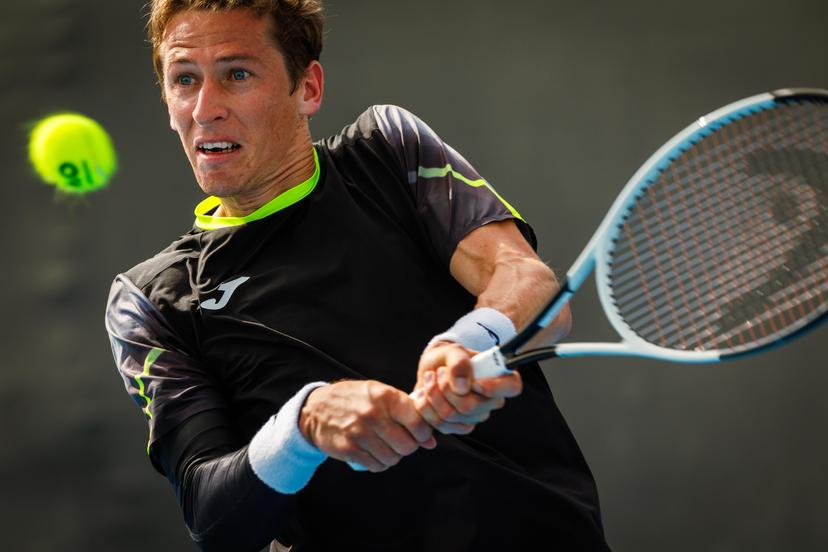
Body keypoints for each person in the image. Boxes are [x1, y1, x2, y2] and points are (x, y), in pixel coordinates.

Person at [105, 1, 612, 550]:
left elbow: (530, 284)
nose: (206, 108)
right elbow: (214, 521)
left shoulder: (386, 152)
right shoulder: (151, 302)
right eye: (184, 80)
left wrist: (469, 341)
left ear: (308, 88)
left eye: (237, 74)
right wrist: (305, 423)